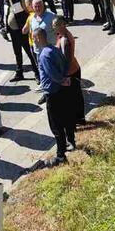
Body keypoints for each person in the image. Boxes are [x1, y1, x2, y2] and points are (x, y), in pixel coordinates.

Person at [34, 28, 74, 165]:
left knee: (56, 126)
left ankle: (61, 155)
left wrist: (61, 79)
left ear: (39, 38)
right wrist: (64, 78)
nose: (34, 41)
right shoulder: (54, 49)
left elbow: (52, 74)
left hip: (52, 92)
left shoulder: (44, 55)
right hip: (60, 90)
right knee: (65, 118)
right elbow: (65, 62)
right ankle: (70, 142)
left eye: (34, 39)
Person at [2, 0, 38, 81]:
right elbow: (7, 14)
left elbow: (27, 11)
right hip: (13, 31)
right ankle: (19, 73)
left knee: (29, 52)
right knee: (17, 52)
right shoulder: (6, 0)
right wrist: (6, 28)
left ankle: (37, 73)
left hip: (22, 31)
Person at [55, 16, 86, 124]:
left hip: (71, 72)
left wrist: (64, 75)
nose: (54, 28)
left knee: (74, 96)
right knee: (75, 95)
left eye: (56, 26)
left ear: (62, 24)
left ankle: (79, 118)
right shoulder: (61, 35)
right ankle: (79, 117)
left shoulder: (65, 39)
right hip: (73, 69)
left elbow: (66, 60)